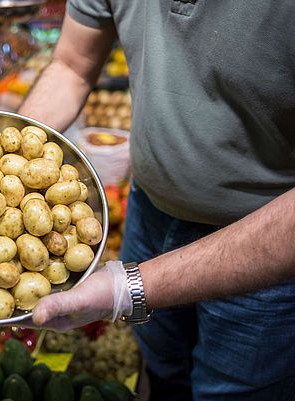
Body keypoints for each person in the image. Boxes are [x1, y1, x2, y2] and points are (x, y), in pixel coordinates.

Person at [18, 2, 295, 400]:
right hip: (149, 216)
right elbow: (72, 65)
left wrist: (126, 288)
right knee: (160, 371)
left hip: (268, 254)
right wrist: (3, 165)